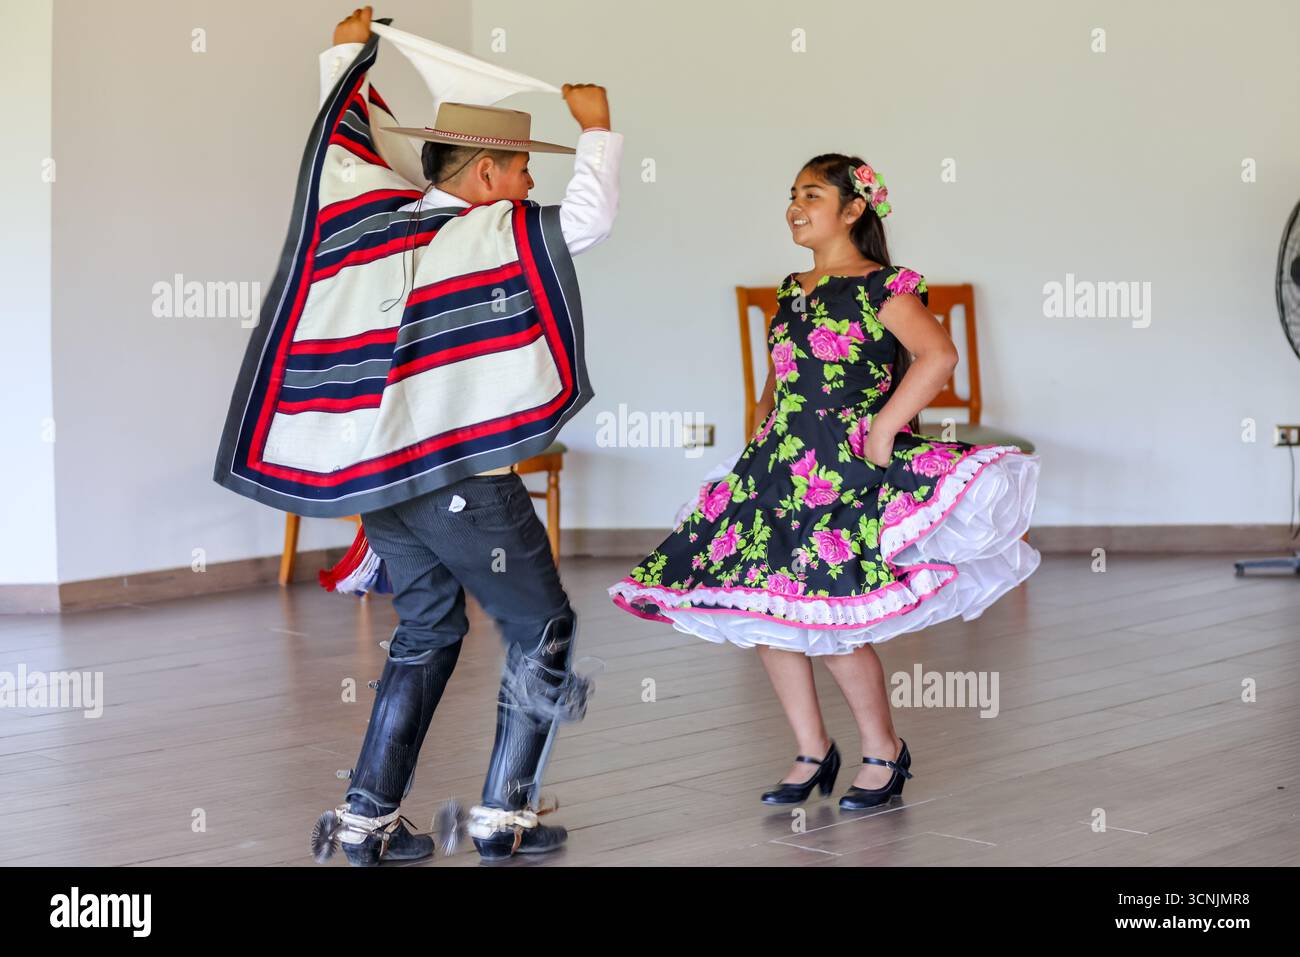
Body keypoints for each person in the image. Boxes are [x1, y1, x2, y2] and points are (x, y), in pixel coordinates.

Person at [214, 6, 622, 864]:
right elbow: (583, 222)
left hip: (381, 483)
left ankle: (364, 821)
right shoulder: (483, 234)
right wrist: (598, 133)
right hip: (455, 475)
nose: (525, 190)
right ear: (481, 176)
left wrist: (344, 58)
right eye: (517, 172)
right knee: (540, 623)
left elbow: (338, 149)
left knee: (428, 630)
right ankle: (504, 819)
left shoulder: (369, 219)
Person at [608, 154, 1040, 810]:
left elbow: (939, 355)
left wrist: (885, 428)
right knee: (765, 610)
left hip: (841, 470)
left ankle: (882, 750)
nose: (794, 204)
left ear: (854, 208)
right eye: (791, 194)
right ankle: (812, 749)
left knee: (833, 619)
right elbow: (779, 382)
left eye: (811, 193)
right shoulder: (792, 288)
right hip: (777, 464)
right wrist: (756, 443)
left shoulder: (882, 286)